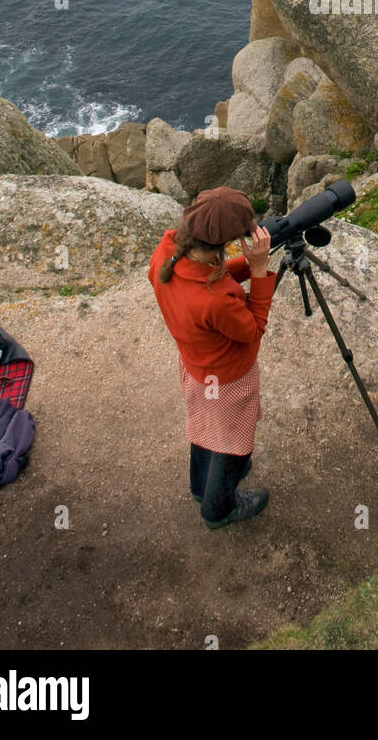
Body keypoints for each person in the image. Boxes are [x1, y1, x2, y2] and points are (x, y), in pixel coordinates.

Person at [148, 186, 277, 527]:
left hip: (196, 369)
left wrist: (246, 267)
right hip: (227, 380)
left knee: (205, 430)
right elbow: (252, 330)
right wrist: (260, 270)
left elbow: (207, 277)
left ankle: (199, 486)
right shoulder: (215, 299)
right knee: (234, 444)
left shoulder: (167, 253)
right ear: (226, 241)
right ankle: (218, 509)